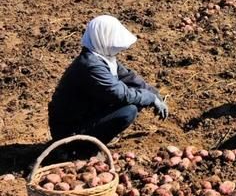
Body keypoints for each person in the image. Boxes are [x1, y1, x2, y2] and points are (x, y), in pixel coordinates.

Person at [49, 15, 168, 145]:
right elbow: (120, 94)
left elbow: (128, 77)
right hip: (69, 132)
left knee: (135, 98)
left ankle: (93, 139)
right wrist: (150, 98)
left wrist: (155, 95)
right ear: (103, 38)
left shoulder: (102, 58)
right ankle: (80, 149)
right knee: (128, 110)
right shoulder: (91, 66)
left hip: (85, 117)